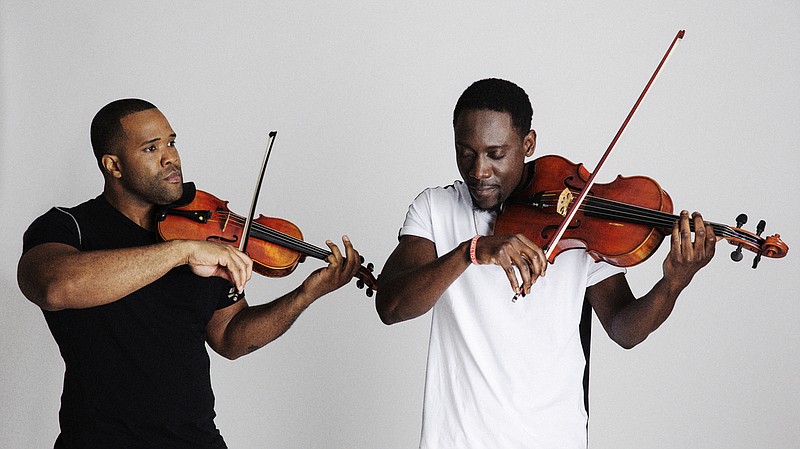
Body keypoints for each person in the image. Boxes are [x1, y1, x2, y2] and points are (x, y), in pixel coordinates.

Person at [375, 78, 716, 449]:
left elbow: (624, 329)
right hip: (457, 440)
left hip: (554, 438)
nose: (479, 171)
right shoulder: (435, 208)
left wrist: (674, 282)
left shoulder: (578, 219)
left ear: (528, 144)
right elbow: (391, 306)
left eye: (496, 153)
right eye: (466, 152)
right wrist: (469, 251)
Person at [17, 98, 363, 449]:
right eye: (151, 148)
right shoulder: (68, 226)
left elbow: (230, 336)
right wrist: (180, 252)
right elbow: (54, 287)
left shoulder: (202, 231)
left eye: (171, 142)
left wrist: (307, 293)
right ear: (113, 166)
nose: (170, 158)